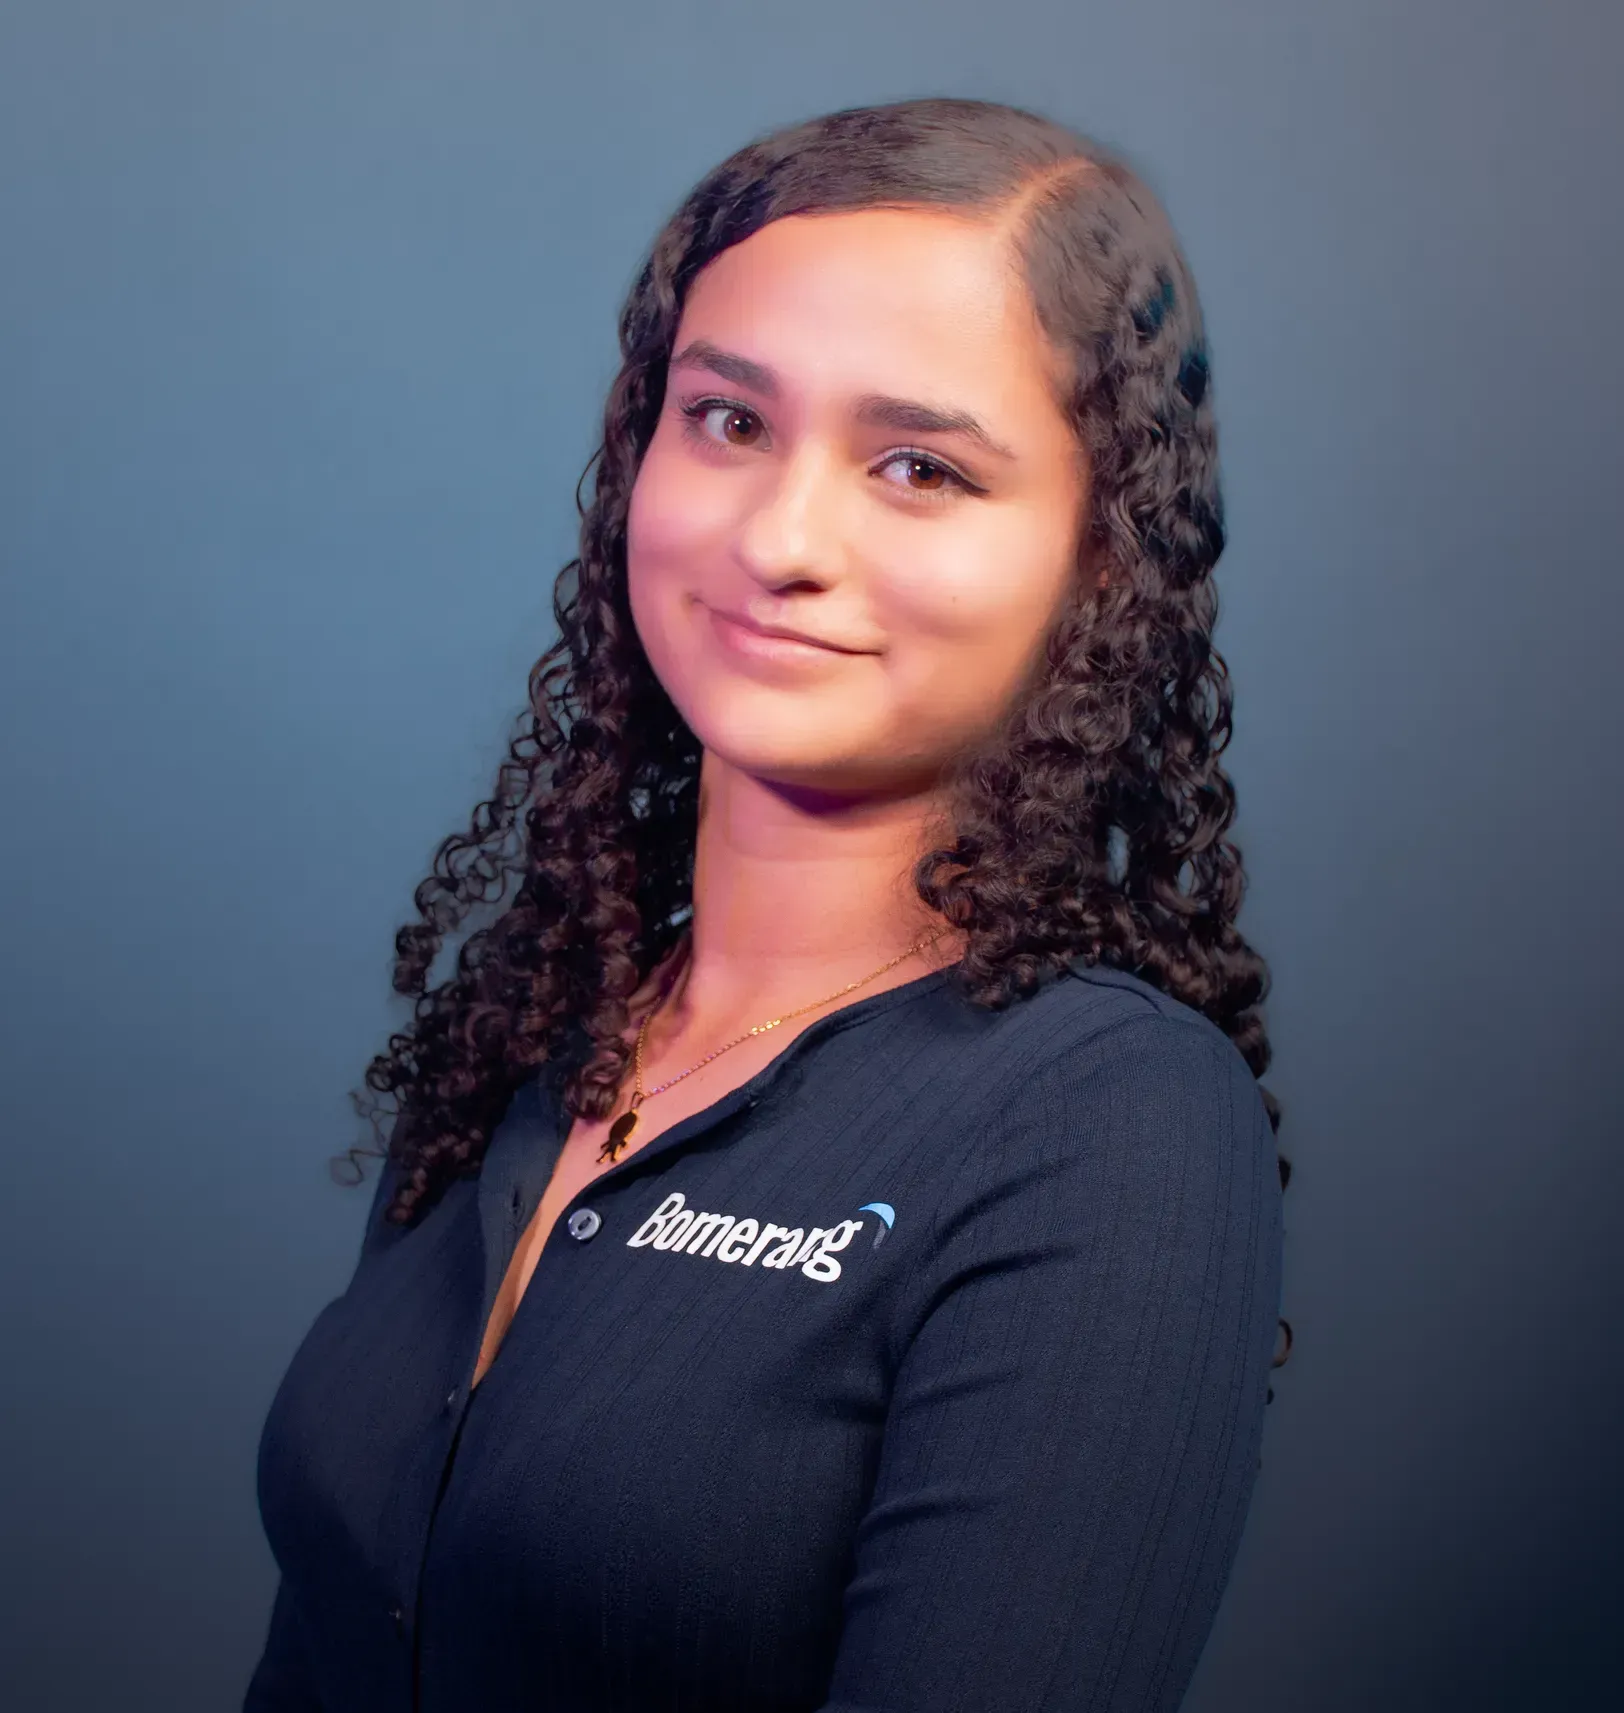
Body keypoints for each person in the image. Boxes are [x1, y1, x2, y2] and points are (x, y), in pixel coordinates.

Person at [243, 94, 1291, 1713]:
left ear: (1099, 563)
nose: (782, 536)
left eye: (918, 465)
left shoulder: (1109, 1125)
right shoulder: (547, 1020)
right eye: (728, 421)